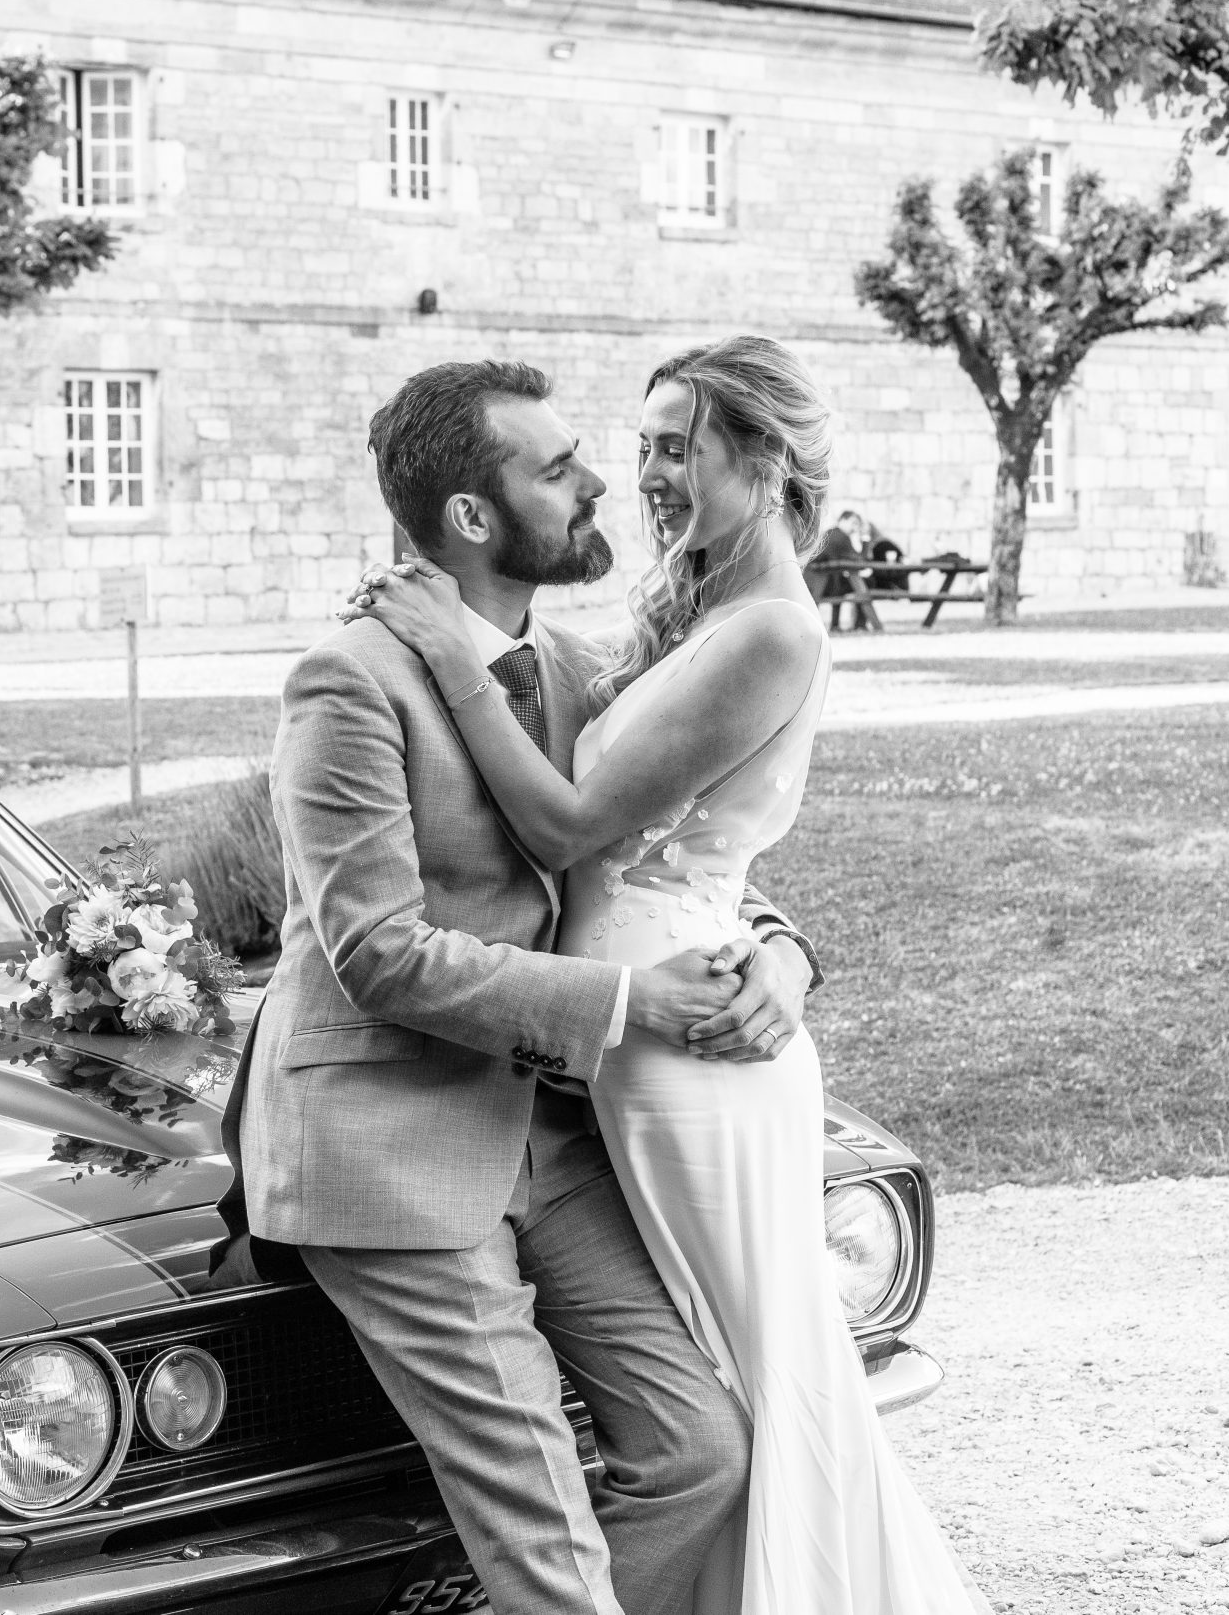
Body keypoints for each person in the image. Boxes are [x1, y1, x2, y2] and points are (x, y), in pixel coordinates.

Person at [348, 336, 985, 1614]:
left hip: (687, 1059)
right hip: (611, 1056)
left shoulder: (768, 633)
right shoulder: (673, 626)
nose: (635, 474)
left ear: (764, 459)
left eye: (671, 446)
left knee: (764, 1376)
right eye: (634, 445)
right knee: (733, 1382)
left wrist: (782, 959)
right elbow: (665, 850)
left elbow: (580, 835)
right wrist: (779, 949)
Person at [238, 358, 824, 1615]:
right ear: (471, 515)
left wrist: (783, 954)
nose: (602, 481)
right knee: (545, 1531)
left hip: (547, 1137)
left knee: (701, 1453)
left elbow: (650, 858)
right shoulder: (348, 681)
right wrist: (630, 1005)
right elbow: (377, 954)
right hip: (387, 1143)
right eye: (557, 470)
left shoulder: (566, 671)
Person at [807, 509, 878, 631]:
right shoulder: (839, 537)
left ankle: (836, 625)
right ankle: (860, 625)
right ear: (843, 520)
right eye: (853, 523)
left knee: (844, 580)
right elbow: (861, 561)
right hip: (821, 585)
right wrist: (865, 538)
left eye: (857, 524)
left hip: (817, 582)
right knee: (867, 583)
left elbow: (856, 560)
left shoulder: (832, 533)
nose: (855, 528)